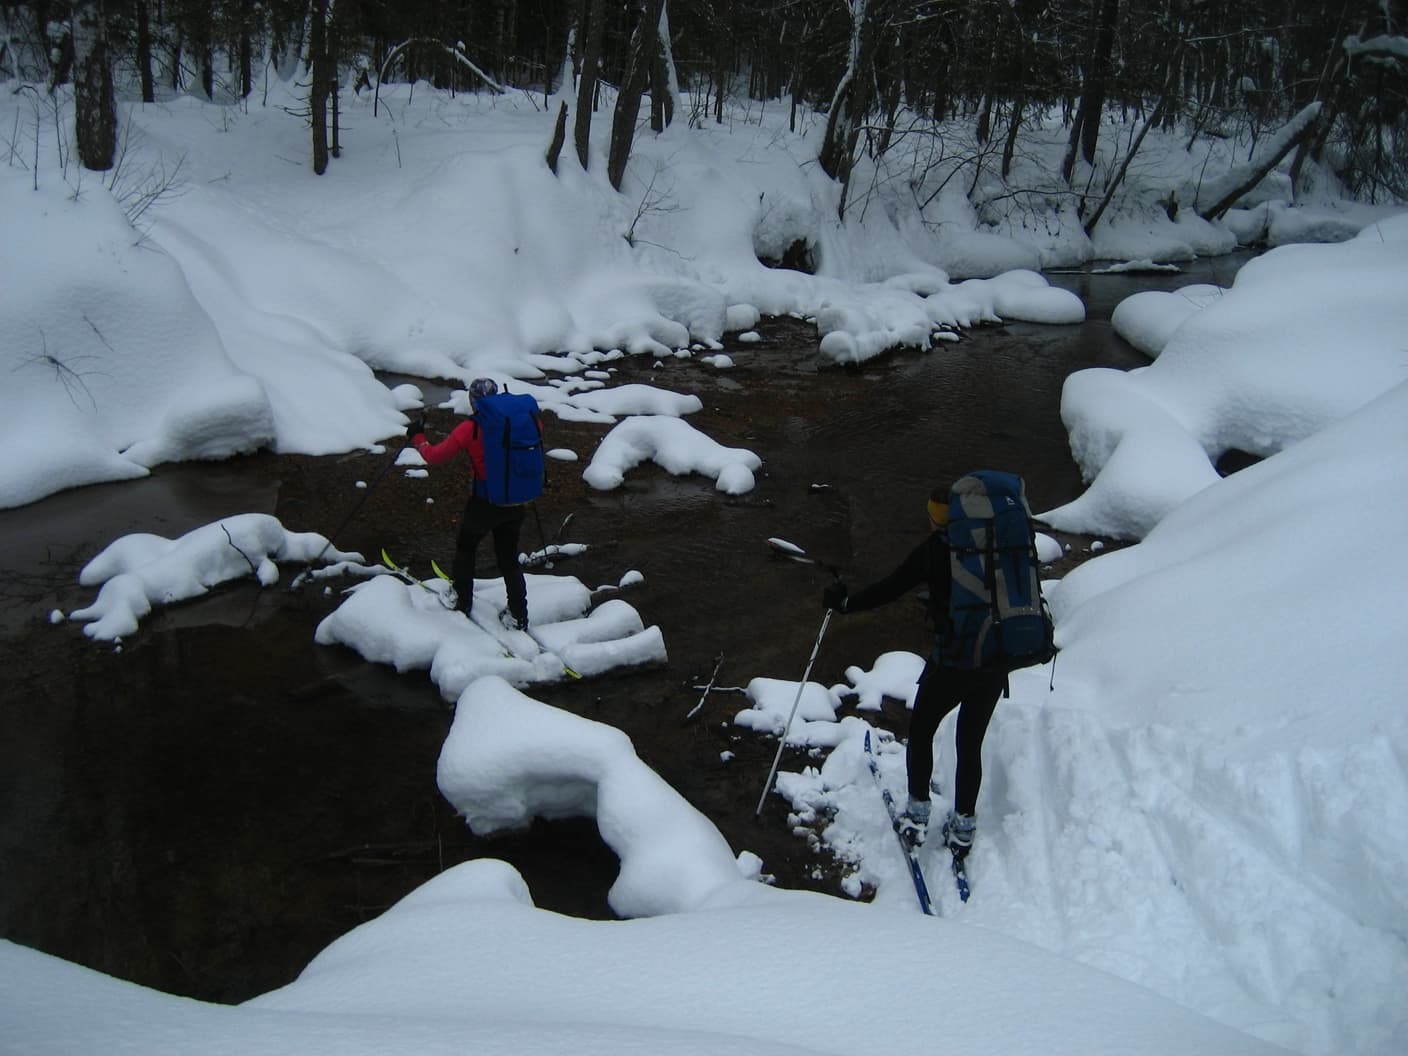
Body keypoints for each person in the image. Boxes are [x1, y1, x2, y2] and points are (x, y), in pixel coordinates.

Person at [822, 485, 1007, 856]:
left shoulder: (935, 551)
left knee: (921, 730)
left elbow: (890, 588)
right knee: (970, 744)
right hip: (995, 662)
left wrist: (845, 603)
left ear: (938, 518)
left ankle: (918, 814)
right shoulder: (997, 543)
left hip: (954, 662)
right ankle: (964, 827)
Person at [407, 378, 540, 631]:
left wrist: (418, 438)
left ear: (472, 401)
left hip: (485, 502)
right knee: (508, 558)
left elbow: (435, 456)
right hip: (516, 500)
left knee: (466, 547)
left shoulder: (472, 427)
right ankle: (518, 616)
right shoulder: (521, 420)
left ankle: (462, 601)